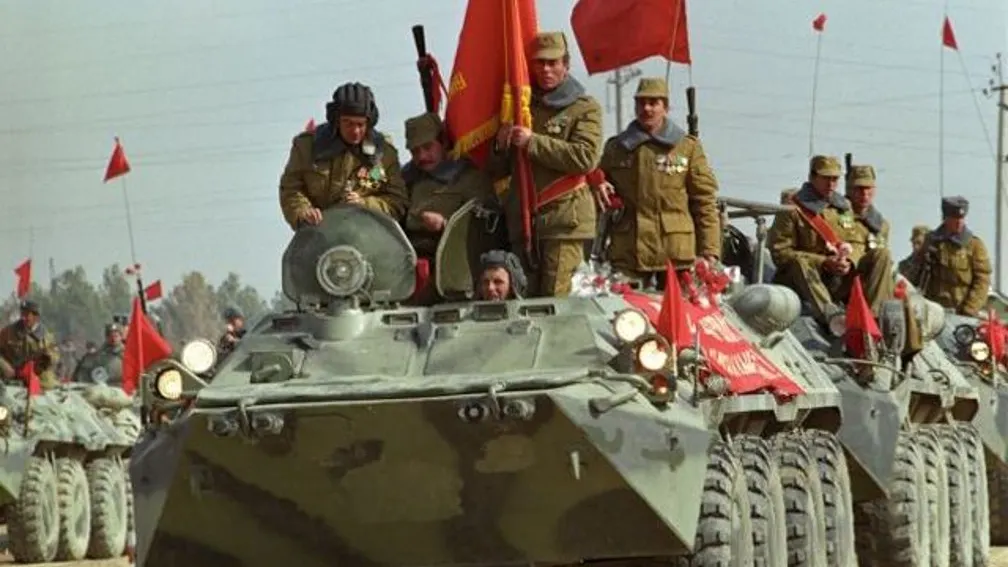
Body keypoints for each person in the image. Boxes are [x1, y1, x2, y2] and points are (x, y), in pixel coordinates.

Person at [487, 31, 603, 297]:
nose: (546, 69)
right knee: (522, 298)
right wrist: (500, 146)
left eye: (553, 63)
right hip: (523, 221)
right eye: (540, 63)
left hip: (564, 220)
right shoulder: (521, 107)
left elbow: (585, 158)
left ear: (566, 65)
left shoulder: (584, 108)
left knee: (554, 301)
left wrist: (533, 142)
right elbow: (498, 171)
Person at [597, 77, 720, 288]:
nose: (647, 109)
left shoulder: (686, 147)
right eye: (641, 103)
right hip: (629, 252)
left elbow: (704, 202)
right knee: (624, 307)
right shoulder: (617, 148)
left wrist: (709, 252)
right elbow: (598, 184)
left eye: (653, 103)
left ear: (666, 107)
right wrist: (597, 182)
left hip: (676, 253)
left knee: (681, 307)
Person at [767, 156, 894, 325]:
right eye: (826, 178)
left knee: (881, 254)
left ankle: (872, 320)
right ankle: (832, 317)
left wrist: (848, 261)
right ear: (812, 177)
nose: (831, 184)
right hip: (803, 280)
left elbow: (856, 243)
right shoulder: (792, 209)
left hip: (835, 279)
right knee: (799, 262)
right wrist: (824, 262)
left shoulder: (843, 208)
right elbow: (780, 253)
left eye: (835, 179)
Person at [279, 82, 408, 230]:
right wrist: (303, 211)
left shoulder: (384, 153)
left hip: (368, 235)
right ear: (336, 121)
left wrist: (365, 204)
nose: (355, 131)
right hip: (321, 234)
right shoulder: (308, 147)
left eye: (360, 124)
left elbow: (398, 201)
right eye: (348, 123)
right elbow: (291, 188)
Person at [401, 112, 496, 260]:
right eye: (415, 151)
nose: (422, 156)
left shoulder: (470, 178)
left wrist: (445, 224)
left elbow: (485, 227)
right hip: (410, 257)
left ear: (443, 142)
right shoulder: (408, 177)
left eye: (427, 147)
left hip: (453, 258)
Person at [909, 196, 992, 316]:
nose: (959, 222)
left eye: (961, 218)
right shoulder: (931, 241)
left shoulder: (975, 246)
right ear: (946, 218)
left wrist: (969, 309)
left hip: (961, 311)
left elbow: (982, 281)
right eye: (955, 218)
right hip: (933, 310)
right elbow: (915, 273)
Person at [0, 300, 60, 390]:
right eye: (23, 313)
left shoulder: (47, 337)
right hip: (11, 378)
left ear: (36, 316)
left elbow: (55, 355)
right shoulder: (8, 332)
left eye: (28, 314)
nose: (24, 317)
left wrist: (48, 358)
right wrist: (5, 367)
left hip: (39, 379)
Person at [844, 165, 891, 261]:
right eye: (859, 188)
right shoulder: (836, 216)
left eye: (868, 188)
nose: (865, 193)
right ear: (849, 189)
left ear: (874, 190)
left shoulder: (881, 225)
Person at [72, 323, 124, 387]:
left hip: (120, 387)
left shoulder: (126, 354)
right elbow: (83, 373)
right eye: (110, 336)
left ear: (121, 337)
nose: (113, 339)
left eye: (116, 336)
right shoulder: (97, 355)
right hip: (100, 386)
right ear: (106, 337)